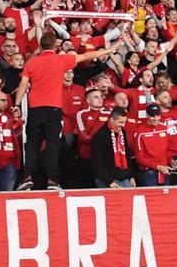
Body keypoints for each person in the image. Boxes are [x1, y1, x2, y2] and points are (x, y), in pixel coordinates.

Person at [16, 32, 116, 192]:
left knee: (32, 144)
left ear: (40, 46)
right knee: (53, 145)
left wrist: (16, 104)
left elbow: (22, 85)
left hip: (35, 109)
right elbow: (87, 56)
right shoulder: (61, 60)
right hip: (54, 109)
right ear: (56, 47)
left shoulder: (31, 62)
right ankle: (52, 180)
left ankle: (27, 177)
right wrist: (109, 49)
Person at [91, 106, 136, 188]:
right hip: (106, 180)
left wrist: (131, 176)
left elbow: (127, 155)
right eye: (121, 122)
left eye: (124, 122)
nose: (123, 125)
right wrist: (109, 182)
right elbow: (97, 162)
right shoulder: (100, 136)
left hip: (123, 177)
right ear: (112, 120)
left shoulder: (122, 133)